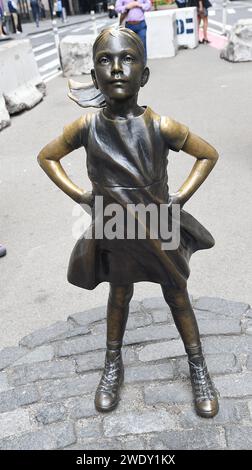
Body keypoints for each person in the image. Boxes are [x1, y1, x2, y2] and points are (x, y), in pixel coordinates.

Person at [37, 27, 219, 418]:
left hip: (158, 222)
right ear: (94, 73)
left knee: (177, 294)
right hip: (114, 225)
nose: (117, 68)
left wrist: (180, 197)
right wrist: (81, 196)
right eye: (105, 60)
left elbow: (207, 154)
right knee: (119, 293)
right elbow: (47, 157)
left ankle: (198, 367)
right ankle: (112, 365)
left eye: (127, 59)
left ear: (145, 75)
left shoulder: (162, 126)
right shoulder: (85, 127)